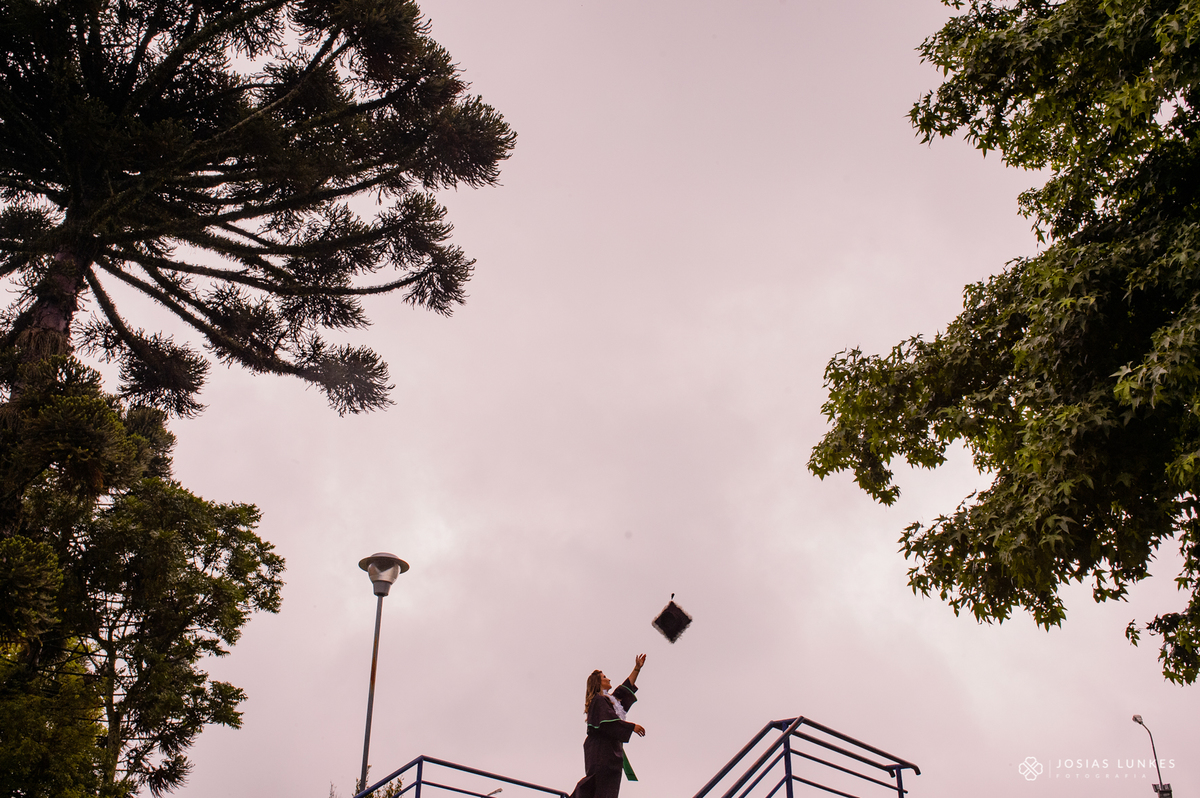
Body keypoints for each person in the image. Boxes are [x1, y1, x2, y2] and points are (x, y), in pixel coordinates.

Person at [568, 654, 646, 798]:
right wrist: (631, 727)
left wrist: (637, 669)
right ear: (598, 683)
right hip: (601, 751)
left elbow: (624, 690)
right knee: (598, 785)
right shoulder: (598, 701)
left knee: (607, 788)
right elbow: (607, 723)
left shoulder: (609, 701)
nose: (609, 679)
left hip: (611, 752)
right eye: (604, 677)